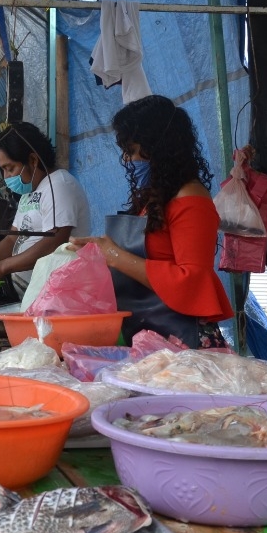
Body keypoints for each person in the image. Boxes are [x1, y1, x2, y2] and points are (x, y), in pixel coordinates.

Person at [71, 94, 232, 347]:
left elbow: (192, 278)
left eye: (131, 151)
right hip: (144, 334)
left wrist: (114, 255)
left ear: (159, 148)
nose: (126, 160)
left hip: (182, 340)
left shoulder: (191, 199)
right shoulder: (154, 198)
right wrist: (97, 252)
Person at [0, 122, 90, 300]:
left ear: (33, 160)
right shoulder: (30, 192)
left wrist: (2, 267)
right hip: (38, 295)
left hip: (63, 294)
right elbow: (13, 238)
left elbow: (55, 241)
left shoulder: (59, 185)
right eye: (3, 169)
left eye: (10, 168)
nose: (6, 177)